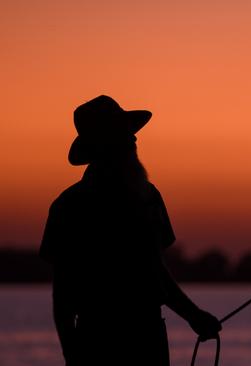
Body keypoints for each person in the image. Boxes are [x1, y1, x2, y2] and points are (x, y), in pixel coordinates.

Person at [40, 95, 221, 366]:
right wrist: (72, 352)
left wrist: (194, 316)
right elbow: (64, 294)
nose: (134, 140)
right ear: (103, 145)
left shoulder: (147, 196)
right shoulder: (71, 206)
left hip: (147, 338)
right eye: (124, 134)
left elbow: (156, 272)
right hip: (99, 340)